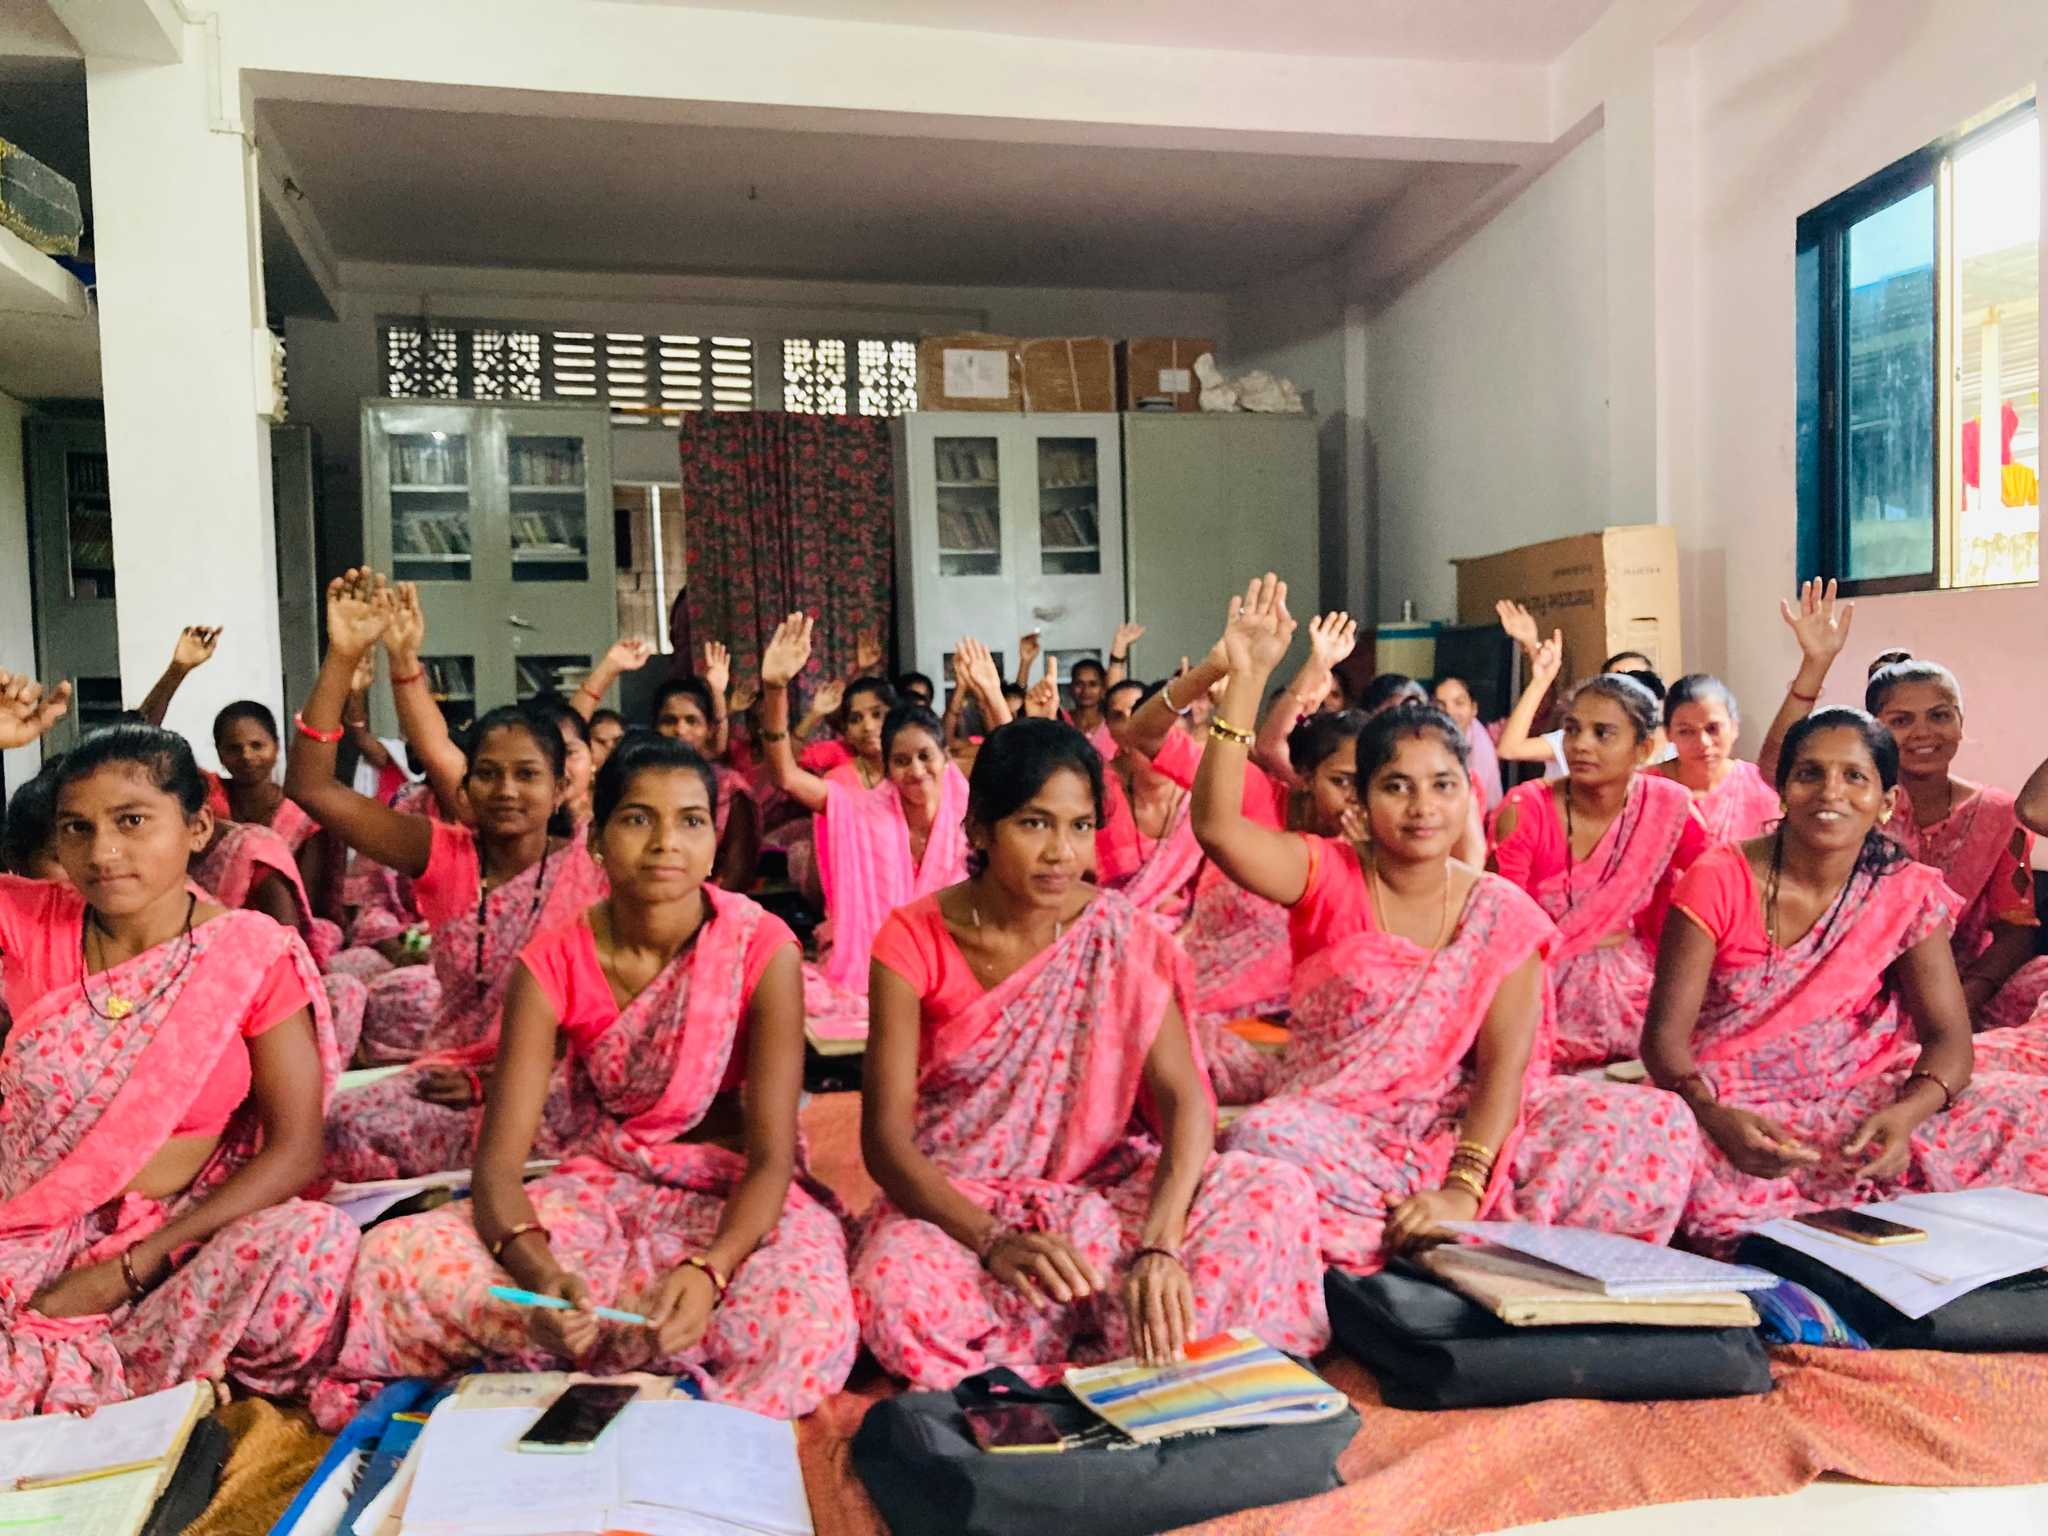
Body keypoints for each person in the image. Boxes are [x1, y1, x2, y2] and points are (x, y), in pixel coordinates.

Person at [312, 735, 856, 1425]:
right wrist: (543, 1287)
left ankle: (621, 1364)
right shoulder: (553, 962)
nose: (666, 842)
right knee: (395, 1258)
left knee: (802, 1324)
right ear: (596, 840)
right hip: (603, 1183)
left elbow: (773, 1158)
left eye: (690, 820)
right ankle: (589, 1348)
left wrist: (709, 1271)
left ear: (714, 843)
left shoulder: (761, 948)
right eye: (638, 818)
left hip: (731, 1198)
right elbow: (499, 1170)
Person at [1191, 591, 1695, 1265]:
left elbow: (1504, 1073)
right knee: (1264, 1138)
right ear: (1362, 800)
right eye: (1396, 787)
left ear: (1470, 793)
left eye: (1443, 786)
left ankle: (1437, 1224)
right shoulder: (1325, 871)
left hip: (1460, 1129)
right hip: (1340, 1122)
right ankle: (1452, 1237)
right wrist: (1247, 679)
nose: (1422, 808)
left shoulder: (1501, 913)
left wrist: (1462, 1184)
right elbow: (1219, 828)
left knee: (1655, 1122)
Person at [852, 716, 1328, 1387]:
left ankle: (1104, 1331)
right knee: (892, 1288)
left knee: (1271, 1192)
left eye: (1079, 827)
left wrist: (1160, 1245)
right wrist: (990, 1241)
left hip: (1102, 1190)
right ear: (981, 829)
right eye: (1034, 823)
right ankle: (1121, 1348)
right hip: (963, 1198)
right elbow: (885, 1143)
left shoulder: (1117, 932)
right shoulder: (913, 937)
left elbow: (1187, 1100)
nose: (1060, 852)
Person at [0, 680, 356, 1419]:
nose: (103, 852)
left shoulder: (251, 954)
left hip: (178, 1239)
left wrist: (125, 1271)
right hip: (27, 1227)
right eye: (76, 829)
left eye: (132, 822)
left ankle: (120, 1364)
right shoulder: (33, 918)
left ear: (198, 828)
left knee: (311, 1243)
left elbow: (293, 1151)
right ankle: (152, 1380)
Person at [1642, 709, 2048, 1254]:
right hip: (1734, 1104)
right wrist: (1714, 1116)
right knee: (1663, 1152)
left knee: (2026, 1109)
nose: (1830, 791)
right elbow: (1663, 1042)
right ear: (1783, 789)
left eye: (1854, 776)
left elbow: (1950, 1040)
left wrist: (1905, 1116)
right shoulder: (1719, 877)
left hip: (1856, 1095)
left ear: (1885, 802)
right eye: (1810, 773)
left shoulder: (1903, 891)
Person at [286, 570, 609, 1179]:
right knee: (324, 1131)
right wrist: (343, 656)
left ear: (562, 785)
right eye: (488, 774)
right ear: (465, 784)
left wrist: (493, 1084)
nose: (506, 790)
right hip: (445, 1077)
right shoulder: (445, 853)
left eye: (527, 775)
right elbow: (310, 787)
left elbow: (613, 1020)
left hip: (558, 1087)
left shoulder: (595, 874)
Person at [759, 616, 1000, 1039]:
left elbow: (1016, 758)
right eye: (901, 761)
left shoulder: (969, 802)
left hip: (962, 961)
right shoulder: (862, 809)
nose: (916, 771)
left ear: (945, 756)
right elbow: (785, 775)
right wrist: (775, 688)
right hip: (880, 966)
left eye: (926, 756)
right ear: (886, 767)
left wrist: (992, 695)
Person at [1489, 635, 1707, 1069]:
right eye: (1572, 730)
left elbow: (1717, 885)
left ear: (1643, 749)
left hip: (1635, 983)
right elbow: (1501, 923)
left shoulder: (1668, 806)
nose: (1580, 745)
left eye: (1602, 733)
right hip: (1538, 982)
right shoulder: (1525, 809)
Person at [1655, 675, 1781, 843]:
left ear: (1734, 728)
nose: (1703, 743)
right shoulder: (1643, 789)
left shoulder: (1762, 784)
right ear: (1668, 733)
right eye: (1686, 731)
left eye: (1713, 729)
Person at [1433, 675, 1503, 810]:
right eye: (1440, 705)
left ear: (1474, 709)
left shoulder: (1481, 749)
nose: (1449, 712)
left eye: (1459, 703)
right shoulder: (1428, 739)